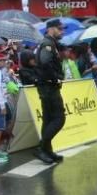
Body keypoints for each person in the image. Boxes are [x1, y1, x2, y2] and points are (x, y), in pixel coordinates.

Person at [35, 19, 66, 164]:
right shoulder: (48, 44)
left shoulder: (50, 43)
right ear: (50, 29)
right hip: (49, 87)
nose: (62, 31)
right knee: (59, 119)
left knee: (48, 120)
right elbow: (45, 61)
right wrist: (55, 79)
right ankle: (41, 148)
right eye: (59, 29)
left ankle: (47, 150)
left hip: (47, 86)